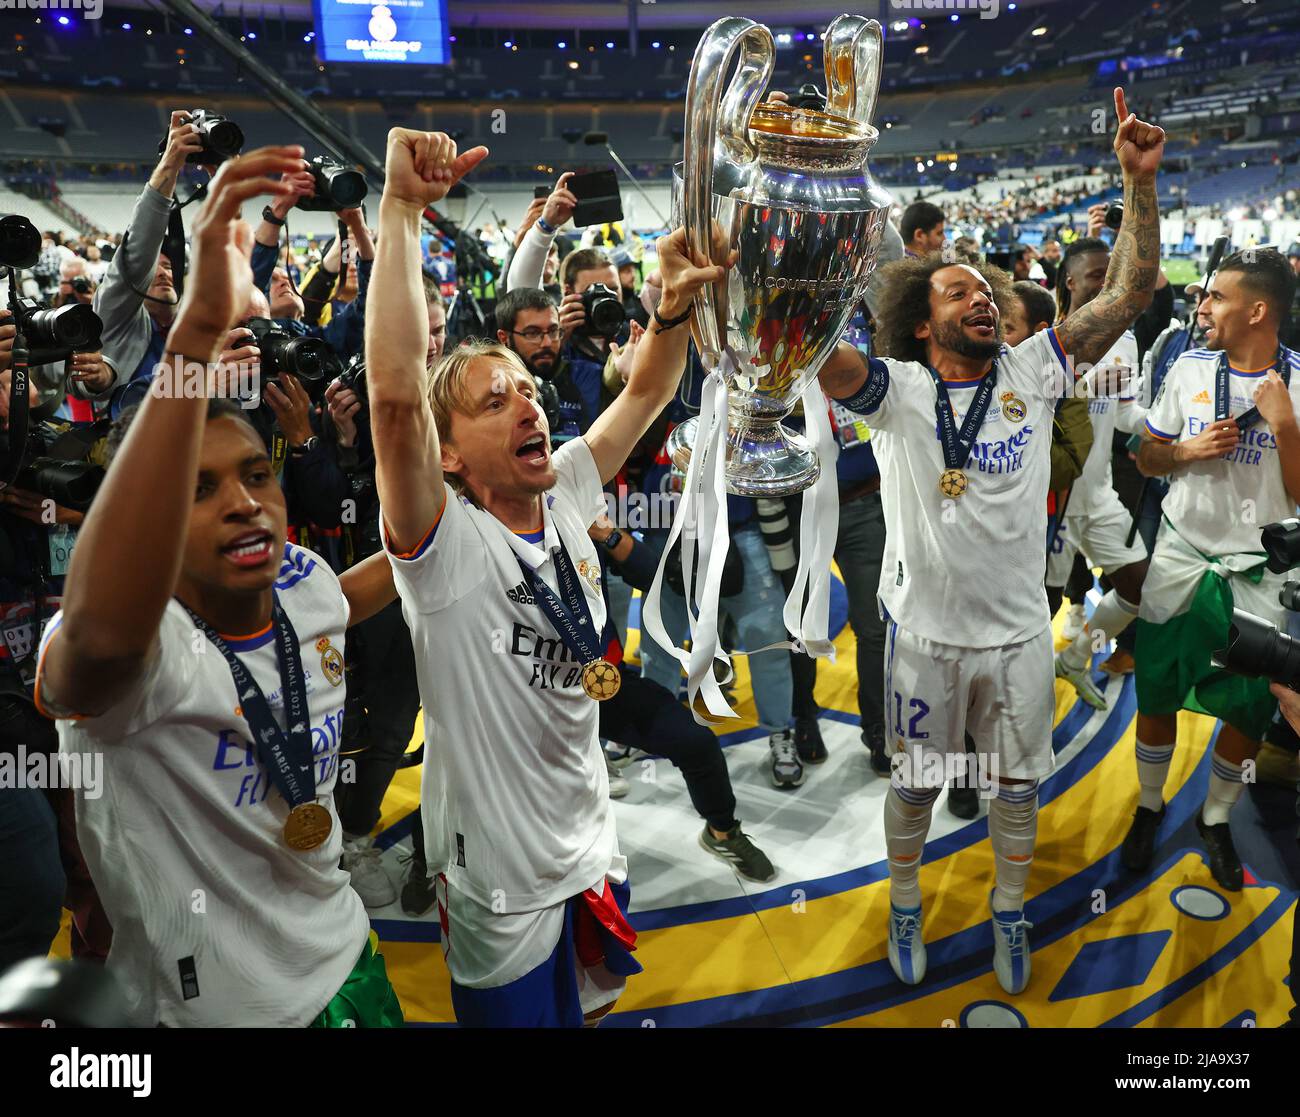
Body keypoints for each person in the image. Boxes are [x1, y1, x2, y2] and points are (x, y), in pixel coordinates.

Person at [32, 146, 405, 1027]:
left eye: (255, 475)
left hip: (351, 959)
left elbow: (348, 593)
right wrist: (191, 344)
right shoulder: (138, 656)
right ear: (154, 517)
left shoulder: (301, 580)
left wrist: (453, 508)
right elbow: (91, 644)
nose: (245, 504)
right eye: (198, 490)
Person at [365, 126, 728, 1026]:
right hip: (499, 879)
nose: (528, 400)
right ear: (448, 457)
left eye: (527, 386)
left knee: (594, 1012)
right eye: (497, 401)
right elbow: (395, 397)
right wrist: (403, 212)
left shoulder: (564, 480)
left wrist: (673, 310)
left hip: (592, 841)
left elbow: (644, 394)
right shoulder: (441, 543)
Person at [816, 89, 1164, 994]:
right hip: (925, 639)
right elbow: (811, 351)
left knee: (1015, 790)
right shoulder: (891, 389)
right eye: (957, 290)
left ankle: (1009, 909)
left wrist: (1137, 183)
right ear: (922, 323)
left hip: (1017, 636)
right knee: (918, 787)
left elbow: (1131, 290)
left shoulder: (1035, 365)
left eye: (986, 289)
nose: (981, 296)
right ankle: (903, 894)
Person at [1127, 248, 1300, 893]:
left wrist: (1285, 427)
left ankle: (1216, 817)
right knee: (1158, 688)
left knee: (1249, 708)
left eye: (1217, 297)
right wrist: (1183, 449)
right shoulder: (1187, 368)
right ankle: (1148, 804)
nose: (1203, 307)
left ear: (1257, 310)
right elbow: (1145, 459)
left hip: (1258, 570)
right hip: (1179, 554)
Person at [1047, 237, 1150, 709]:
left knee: (1139, 587)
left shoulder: (1123, 336)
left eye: (1112, 274)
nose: (1109, 284)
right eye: (1096, 276)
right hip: (1051, 504)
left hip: (1099, 492)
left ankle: (1077, 658)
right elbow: (1024, 409)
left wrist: (1170, 428)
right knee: (1039, 611)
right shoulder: (1043, 336)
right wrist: (1085, 386)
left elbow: (1125, 413)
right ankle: (1019, 704)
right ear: (1070, 282)